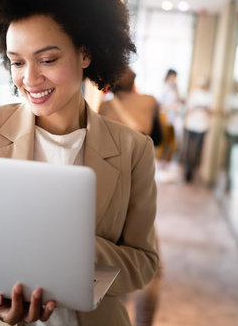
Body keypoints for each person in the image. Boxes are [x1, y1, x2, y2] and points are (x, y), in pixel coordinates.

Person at [0, 0, 159, 325]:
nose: (29, 79)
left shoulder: (133, 150)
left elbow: (143, 264)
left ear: (85, 53)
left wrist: (69, 249)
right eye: (17, 62)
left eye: (47, 60)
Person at [98, 67, 162, 326]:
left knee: (112, 265)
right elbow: (157, 138)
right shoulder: (150, 102)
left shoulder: (102, 109)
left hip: (108, 192)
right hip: (138, 189)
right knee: (152, 268)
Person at [99, 67, 162, 146]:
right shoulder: (150, 100)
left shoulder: (104, 106)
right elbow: (157, 139)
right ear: (133, 80)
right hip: (140, 152)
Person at [183, 76, 213, 183]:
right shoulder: (193, 94)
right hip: (191, 125)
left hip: (202, 126)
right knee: (188, 150)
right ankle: (187, 172)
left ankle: (194, 171)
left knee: (197, 151)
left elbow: (211, 111)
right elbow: (188, 108)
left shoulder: (209, 96)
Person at [223, 81, 238, 190]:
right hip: (231, 130)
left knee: (236, 157)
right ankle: (227, 178)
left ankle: (233, 177)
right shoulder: (229, 99)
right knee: (228, 157)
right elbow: (226, 112)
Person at [156, 69, 182, 164]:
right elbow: (161, 104)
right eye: (174, 76)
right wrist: (172, 106)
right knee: (163, 140)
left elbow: (180, 100)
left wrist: (177, 87)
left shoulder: (174, 88)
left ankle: (166, 162)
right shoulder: (164, 87)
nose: (175, 79)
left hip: (173, 118)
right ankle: (159, 163)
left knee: (173, 143)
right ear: (169, 76)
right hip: (165, 115)